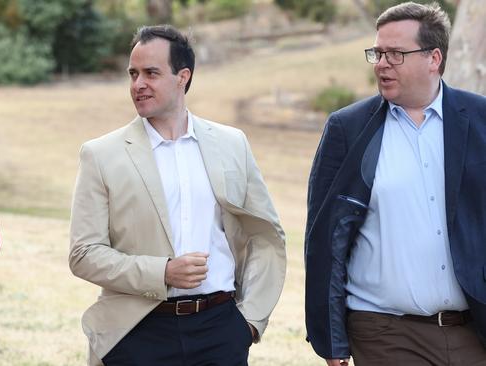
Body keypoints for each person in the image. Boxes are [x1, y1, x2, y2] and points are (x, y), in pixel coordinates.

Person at [69, 24, 286, 366]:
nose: (138, 84)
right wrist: (163, 273)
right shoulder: (101, 154)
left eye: (151, 73)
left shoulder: (232, 144)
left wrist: (249, 323)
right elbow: (83, 254)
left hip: (220, 329)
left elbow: (266, 237)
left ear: (182, 76)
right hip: (136, 332)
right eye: (133, 73)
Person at [305, 2, 486, 365]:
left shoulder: (480, 119)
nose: (382, 63)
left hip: (474, 330)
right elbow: (325, 237)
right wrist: (332, 338)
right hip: (384, 332)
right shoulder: (348, 129)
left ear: (434, 58)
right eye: (378, 53)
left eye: (396, 54)